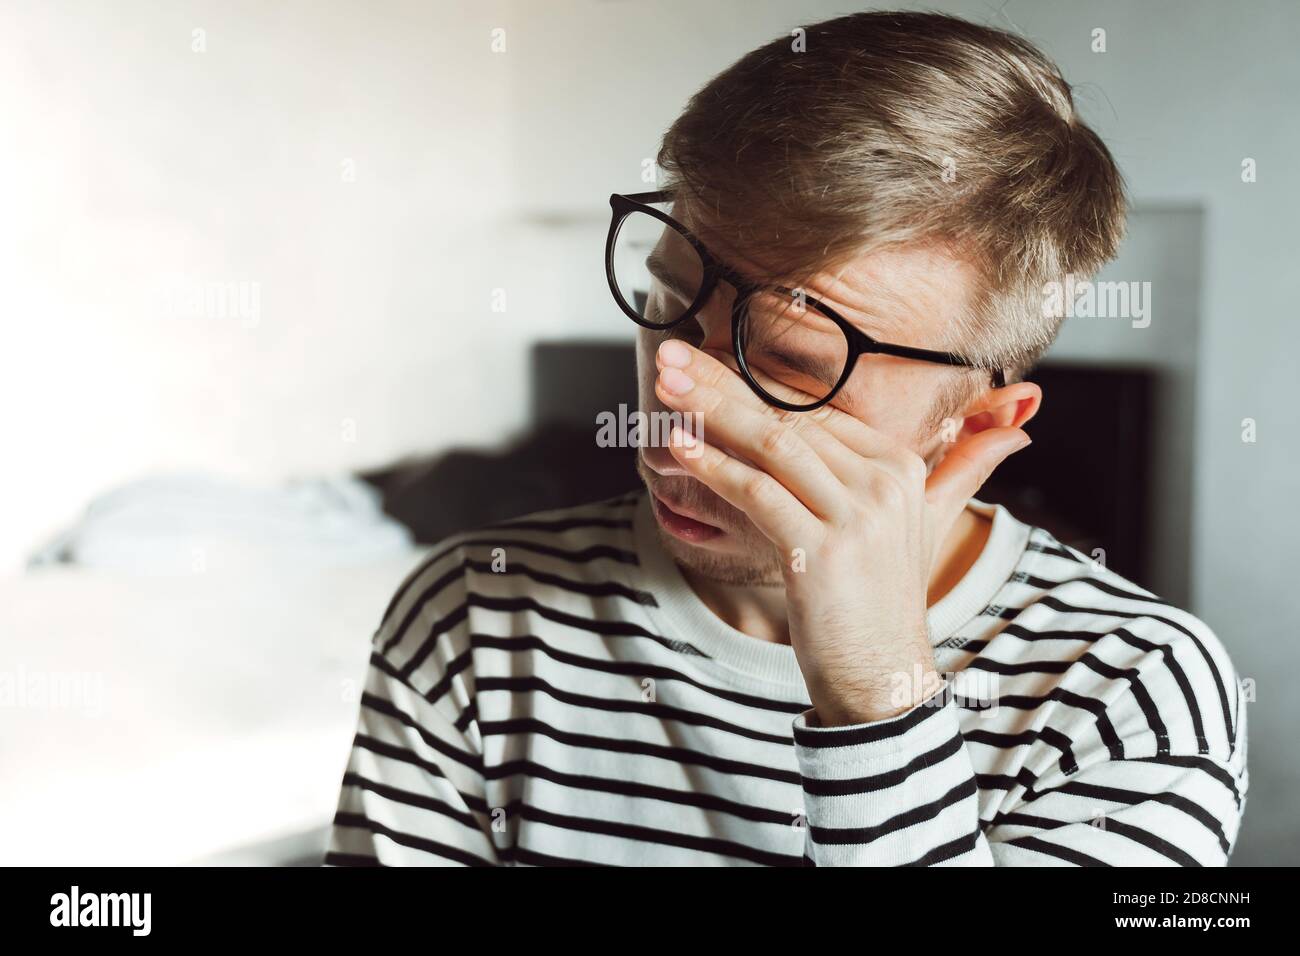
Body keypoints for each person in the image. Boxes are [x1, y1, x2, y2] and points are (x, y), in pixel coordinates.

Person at [326, 10, 1245, 866]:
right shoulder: (470, 614)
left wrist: (876, 698)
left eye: (794, 364)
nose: (676, 414)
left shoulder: (1136, 695)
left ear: (974, 426)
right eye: (666, 299)